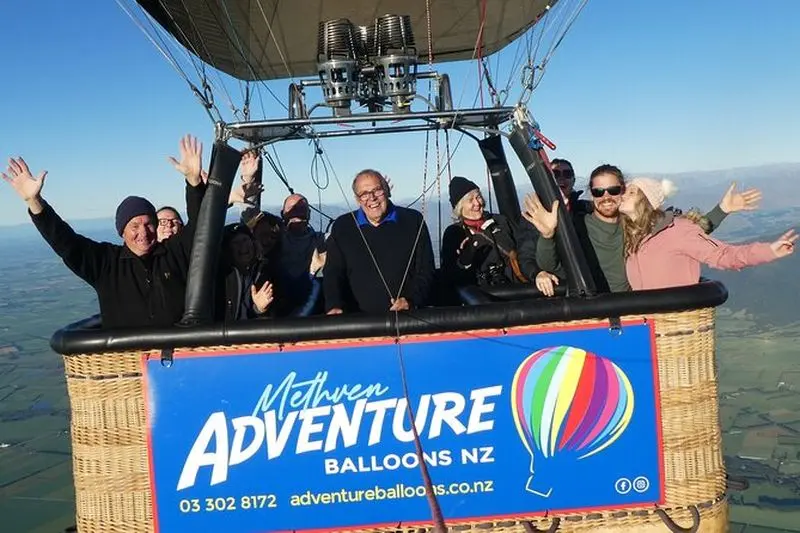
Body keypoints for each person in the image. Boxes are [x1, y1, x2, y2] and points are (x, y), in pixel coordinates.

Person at [1, 135, 206, 329]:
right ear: (122, 232)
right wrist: (34, 202)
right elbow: (64, 241)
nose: (143, 232)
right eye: (134, 226)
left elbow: (201, 225)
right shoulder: (106, 264)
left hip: (177, 360)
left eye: (149, 224)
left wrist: (194, 183)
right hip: (125, 363)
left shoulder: (173, 254)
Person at [522, 164, 761, 294]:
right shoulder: (579, 226)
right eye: (598, 192)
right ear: (591, 195)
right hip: (595, 310)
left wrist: (722, 209)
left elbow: (680, 236)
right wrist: (547, 235)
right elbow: (549, 266)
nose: (606, 197)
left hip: (632, 311)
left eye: (614, 191)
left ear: (622, 192)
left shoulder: (633, 226)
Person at [619, 178, 796, 290]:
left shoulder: (678, 230)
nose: (622, 195)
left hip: (677, 329)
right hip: (646, 330)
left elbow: (723, 255)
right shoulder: (635, 238)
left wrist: (768, 251)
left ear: (647, 201)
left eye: (631, 192)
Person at [323, 169, 435, 314]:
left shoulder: (413, 221)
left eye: (377, 190)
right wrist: (334, 305)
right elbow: (333, 272)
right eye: (364, 194)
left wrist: (411, 300)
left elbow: (425, 269)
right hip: (359, 322)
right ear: (357, 199)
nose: (372, 198)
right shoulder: (342, 227)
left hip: (407, 318)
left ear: (387, 191)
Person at [440, 176, 526, 292]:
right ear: (459, 207)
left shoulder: (501, 221)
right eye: (470, 200)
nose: (477, 203)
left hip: (514, 289)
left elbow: (524, 248)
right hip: (479, 298)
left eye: (478, 197)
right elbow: (449, 277)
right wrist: (464, 261)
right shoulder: (454, 233)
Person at [218, 223, 275, 320]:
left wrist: (259, 309)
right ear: (228, 250)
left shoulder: (265, 272)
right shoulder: (220, 277)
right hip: (226, 333)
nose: (242, 246)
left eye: (245, 240)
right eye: (235, 243)